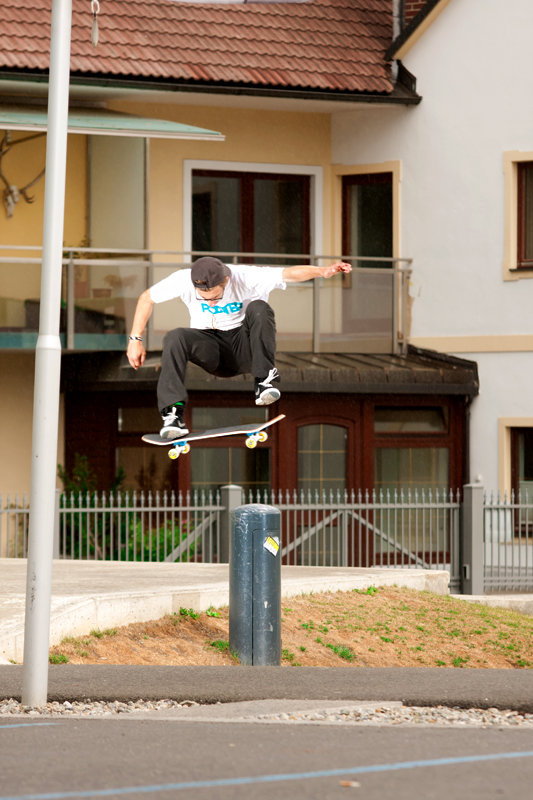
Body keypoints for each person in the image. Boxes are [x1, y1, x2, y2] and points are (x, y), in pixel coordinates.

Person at [127, 256, 352, 439]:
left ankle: (264, 380)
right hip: (212, 351)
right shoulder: (183, 279)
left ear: (225, 280)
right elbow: (147, 298)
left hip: (244, 348)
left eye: (216, 297)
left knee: (259, 308)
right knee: (175, 337)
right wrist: (135, 340)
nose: (211, 303)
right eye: (205, 300)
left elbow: (288, 273)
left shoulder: (246, 276)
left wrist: (322, 271)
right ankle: (173, 414)